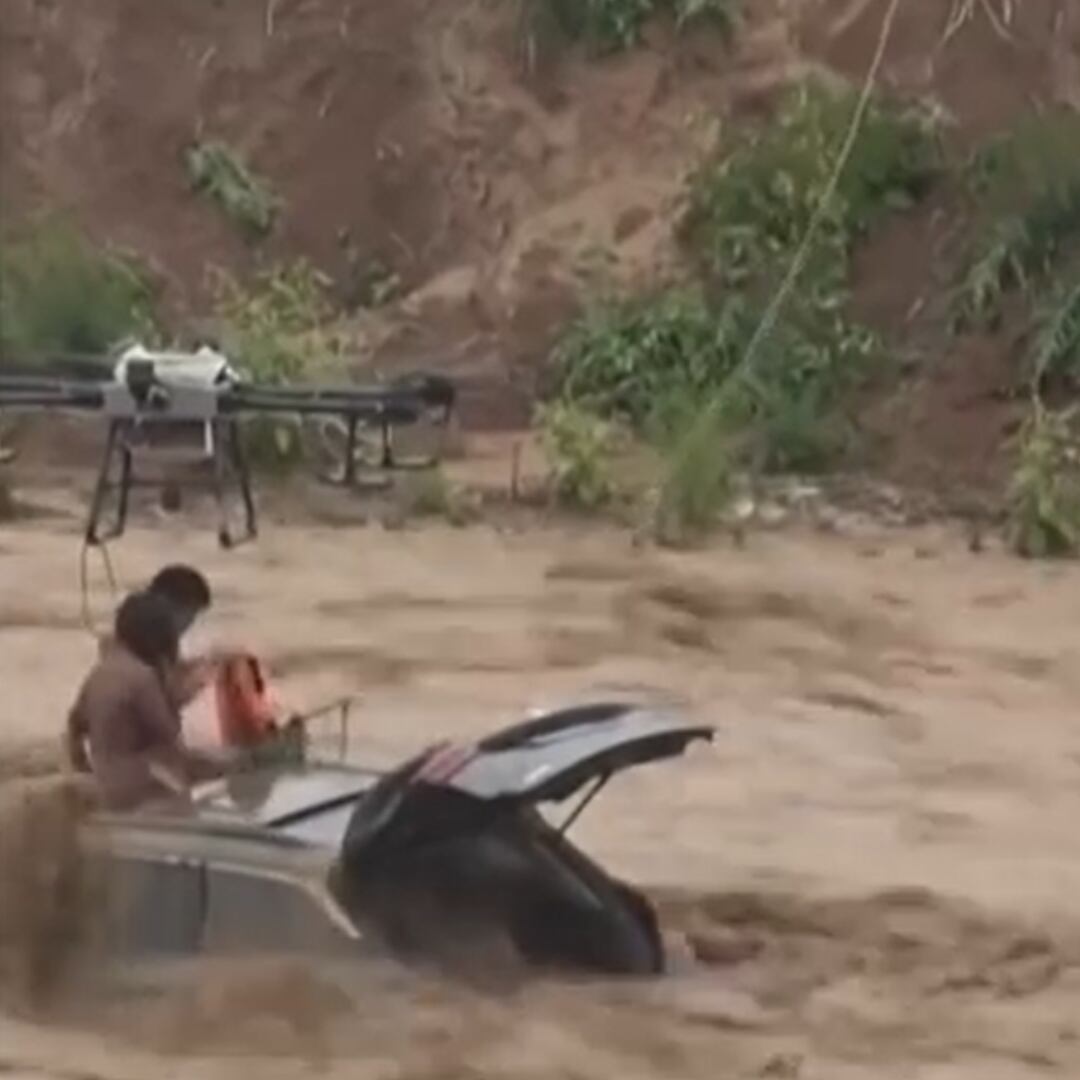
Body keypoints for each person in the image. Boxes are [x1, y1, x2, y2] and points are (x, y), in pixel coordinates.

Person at [65, 590, 225, 810]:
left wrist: (84, 771)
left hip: (106, 791)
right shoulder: (142, 678)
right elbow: (169, 737)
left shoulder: (99, 673)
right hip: (144, 795)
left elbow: (74, 727)